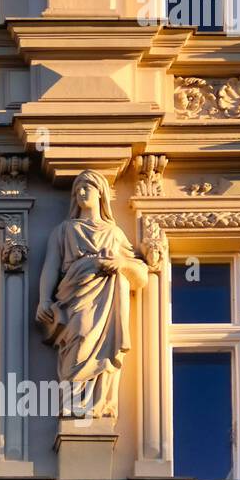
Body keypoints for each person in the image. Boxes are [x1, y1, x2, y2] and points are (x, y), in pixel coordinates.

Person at [36, 170, 147, 419]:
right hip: (74, 295)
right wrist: (44, 298)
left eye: (86, 188)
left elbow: (140, 275)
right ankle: (75, 405)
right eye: (77, 191)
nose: (81, 194)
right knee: (81, 336)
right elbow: (51, 267)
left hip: (106, 297)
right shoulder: (64, 230)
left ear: (101, 193)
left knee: (103, 349)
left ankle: (99, 405)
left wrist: (121, 263)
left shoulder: (114, 233)